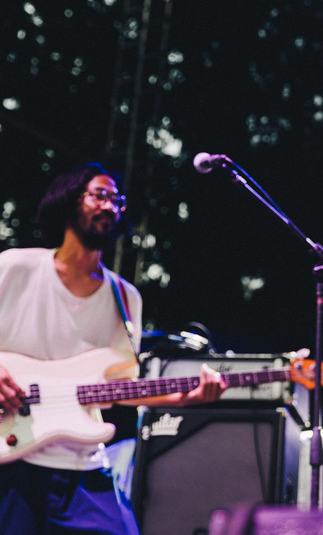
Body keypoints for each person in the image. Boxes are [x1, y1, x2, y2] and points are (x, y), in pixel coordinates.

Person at [0, 163, 226, 534]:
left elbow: (122, 389)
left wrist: (189, 398)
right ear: (70, 199)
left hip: (81, 464)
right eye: (99, 195)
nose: (109, 206)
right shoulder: (15, 267)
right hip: (11, 459)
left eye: (116, 200)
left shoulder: (125, 297)